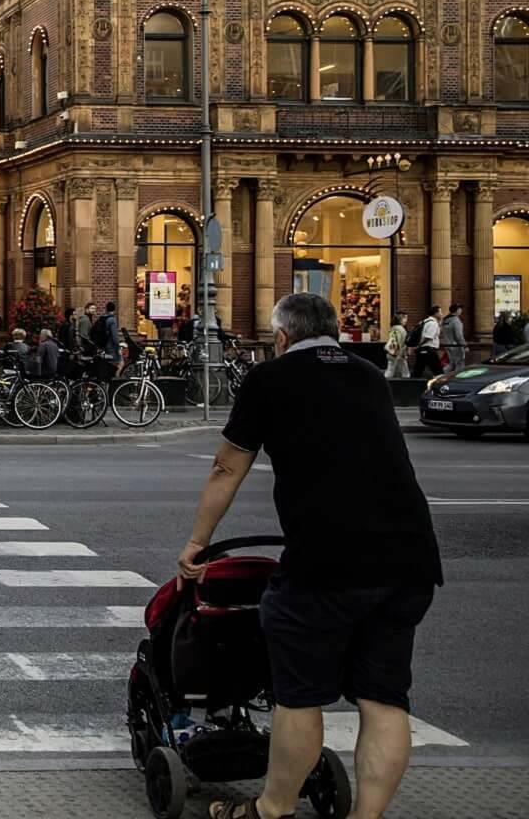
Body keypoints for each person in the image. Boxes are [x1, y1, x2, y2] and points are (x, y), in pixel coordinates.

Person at [179, 293, 440, 819]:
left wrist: (196, 543)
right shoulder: (368, 375)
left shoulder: (270, 379)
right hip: (409, 560)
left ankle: (271, 809)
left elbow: (227, 469)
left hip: (327, 560)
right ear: (334, 330)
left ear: (281, 338)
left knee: (299, 694)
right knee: (384, 699)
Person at [92, 300, 122, 375]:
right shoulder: (112, 320)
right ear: (114, 310)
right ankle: (115, 381)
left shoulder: (102, 318)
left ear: (106, 309)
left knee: (107, 363)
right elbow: (114, 336)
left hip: (103, 345)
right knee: (119, 363)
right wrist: (118, 347)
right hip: (111, 346)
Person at [415, 305, 443, 378]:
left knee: (417, 371)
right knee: (438, 372)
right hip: (429, 350)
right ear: (435, 313)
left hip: (422, 350)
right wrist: (419, 345)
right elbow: (428, 337)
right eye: (440, 312)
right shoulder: (433, 323)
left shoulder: (424, 321)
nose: (441, 314)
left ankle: (412, 386)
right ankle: (440, 387)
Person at [383, 311, 409, 380]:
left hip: (391, 352)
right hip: (398, 353)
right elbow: (401, 343)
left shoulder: (393, 328)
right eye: (405, 318)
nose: (406, 320)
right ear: (400, 319)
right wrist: (402, 354)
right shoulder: (401, 329)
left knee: (390, 370)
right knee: (405, 373)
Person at [442, 303, 466, 371]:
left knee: (451, 364)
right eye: (460, 309)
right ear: (457, 310)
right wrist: (465, 345)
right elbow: (459, 336)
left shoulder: (445, 320)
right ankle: (459, 380)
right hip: (457, 346)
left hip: (448, 345)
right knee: (459, 364)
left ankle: (441, 375)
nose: (461, 310)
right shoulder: (456, 321)